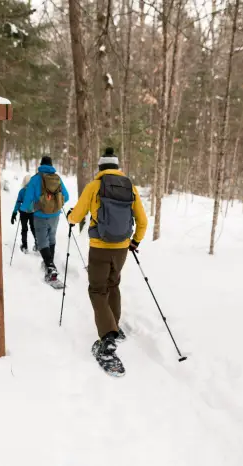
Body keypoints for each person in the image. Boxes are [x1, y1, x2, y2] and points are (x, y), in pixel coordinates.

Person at [67, 147, 147, 376]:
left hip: (100, 247)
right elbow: (142, 221)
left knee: (97, 289)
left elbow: (78, 214)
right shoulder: (130, 187)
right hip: (122, 247)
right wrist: (135, 242)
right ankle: (114, 325)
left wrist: (70, 217)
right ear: (118, 168)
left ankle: (108, 338)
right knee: (113, 284)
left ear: (100, 168)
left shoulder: (94, 186)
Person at [21, 156, 70, 284]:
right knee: (52, 238)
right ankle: (49, 263)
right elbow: (67, 196)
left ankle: (50, 267)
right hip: (55, 215)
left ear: (41, 164)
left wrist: (25, 208)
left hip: (40, 215)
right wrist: (56, 204)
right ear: (51, 165)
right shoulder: (57, 178)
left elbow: (27, 200)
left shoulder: (35, 179)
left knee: (43, 241)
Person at [11, 175, 38, 253]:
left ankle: (24, 246)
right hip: (33, 212)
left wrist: (14, 213)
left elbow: (18, 203)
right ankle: (38, 244)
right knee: (33, 228)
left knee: (24, 229)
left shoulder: (22, 191)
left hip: (23, 212)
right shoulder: (34, 191)